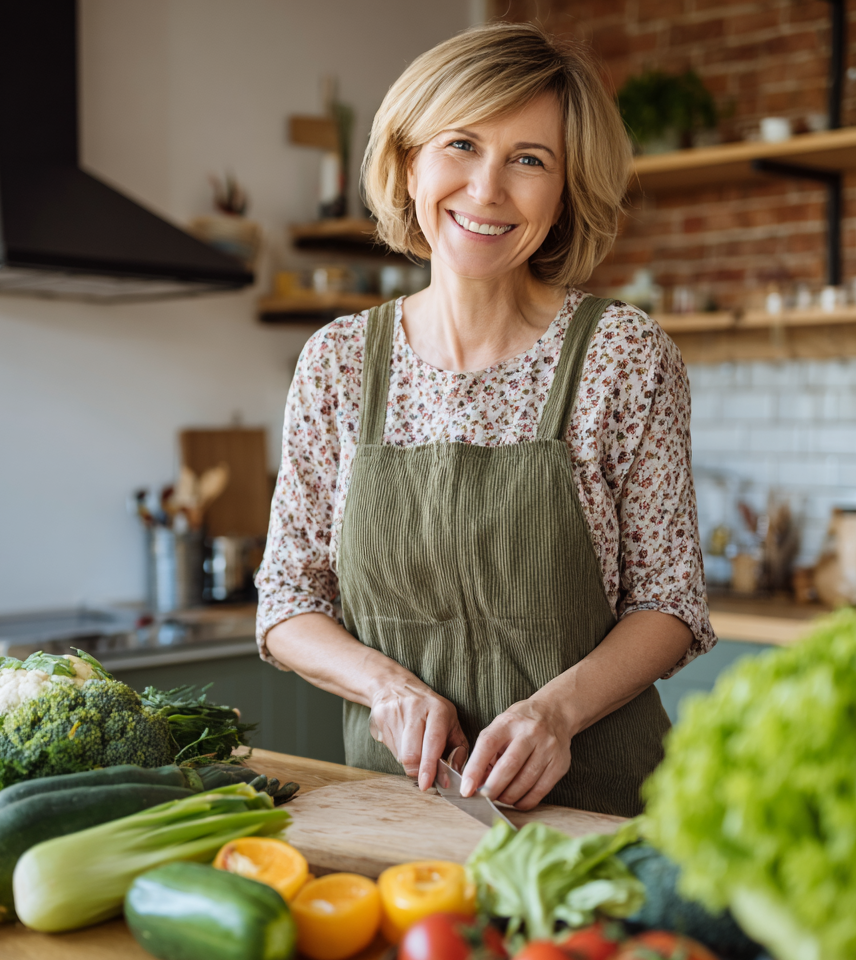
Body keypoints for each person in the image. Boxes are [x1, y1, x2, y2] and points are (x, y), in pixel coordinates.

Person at [256, 22, 715, 817]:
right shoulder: (334, 363)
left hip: (597, 813)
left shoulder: (623, 354)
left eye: (529, 160)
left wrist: (556, 714)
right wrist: (386, 688)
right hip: (399, 815)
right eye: (461, 145)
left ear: (565, 191)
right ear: (408, 164)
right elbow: (288, 603)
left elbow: (670, 602)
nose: (487, 189)